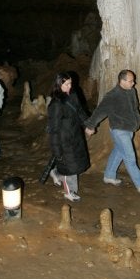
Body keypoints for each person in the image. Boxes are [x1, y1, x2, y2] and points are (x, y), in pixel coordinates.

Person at [84, 69, 140, 194]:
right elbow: (100, 111)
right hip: (119, 130)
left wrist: (137, 120)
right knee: (129, 157)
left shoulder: (132, 91)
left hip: (129, 129)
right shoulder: (113, 95)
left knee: (118, 152)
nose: (134, 83)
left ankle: (109, 176)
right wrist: (91, 126)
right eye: (131, 81)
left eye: (133, 80)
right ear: (121, 81)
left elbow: (135, 107)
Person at [47, 72, 91, 202]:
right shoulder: (55, 104)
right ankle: (69, 192)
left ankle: (55, 172)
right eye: (66, 84)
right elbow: (53, 129)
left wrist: (87, 125)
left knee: (75, 164)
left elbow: (80, 112)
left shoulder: (73, 95)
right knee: (68, 168)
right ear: (59, 84)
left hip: (75, 135)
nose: (69, 86)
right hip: (63, 140)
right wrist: (56, 149)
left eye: (70, 83)